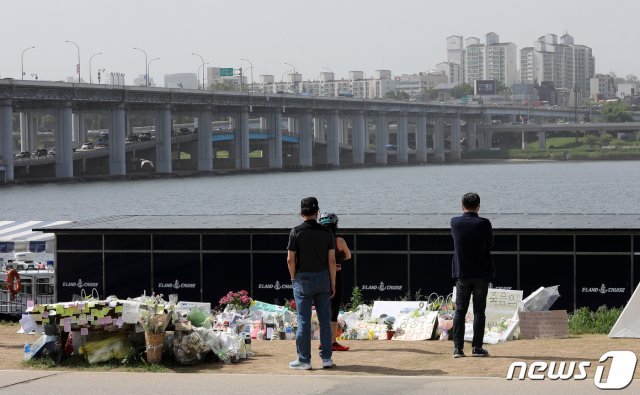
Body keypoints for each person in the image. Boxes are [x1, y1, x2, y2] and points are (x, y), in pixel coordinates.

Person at [286, 197, 337, 370]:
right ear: (317, 212)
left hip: (303, 280)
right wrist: (333, 282)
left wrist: (294, 278)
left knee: (304, 321)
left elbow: (290, 259)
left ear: (301, 213)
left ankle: (304, 360)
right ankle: (327, 359)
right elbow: (332, 260)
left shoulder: (296, 231)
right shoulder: (326, 232)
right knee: (324, 320)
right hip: (323, 278)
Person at [450, 192, 494, 358]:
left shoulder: (455, 222)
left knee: (460, 311)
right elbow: (490, 244)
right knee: (479, 311)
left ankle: (458, 349)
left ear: (462, 206)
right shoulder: (484, 223)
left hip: (462, 272)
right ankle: (476, 348)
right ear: (478, 207)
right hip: (481, 272)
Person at [319, 212, 351, 352]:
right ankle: (332, 342)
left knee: (322, 310)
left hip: (320, 276)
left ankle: (323, 341)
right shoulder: (339, 241)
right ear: (335, 225)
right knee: (334, 311)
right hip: (336, 276)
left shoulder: (318, 240)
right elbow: (348, 255)